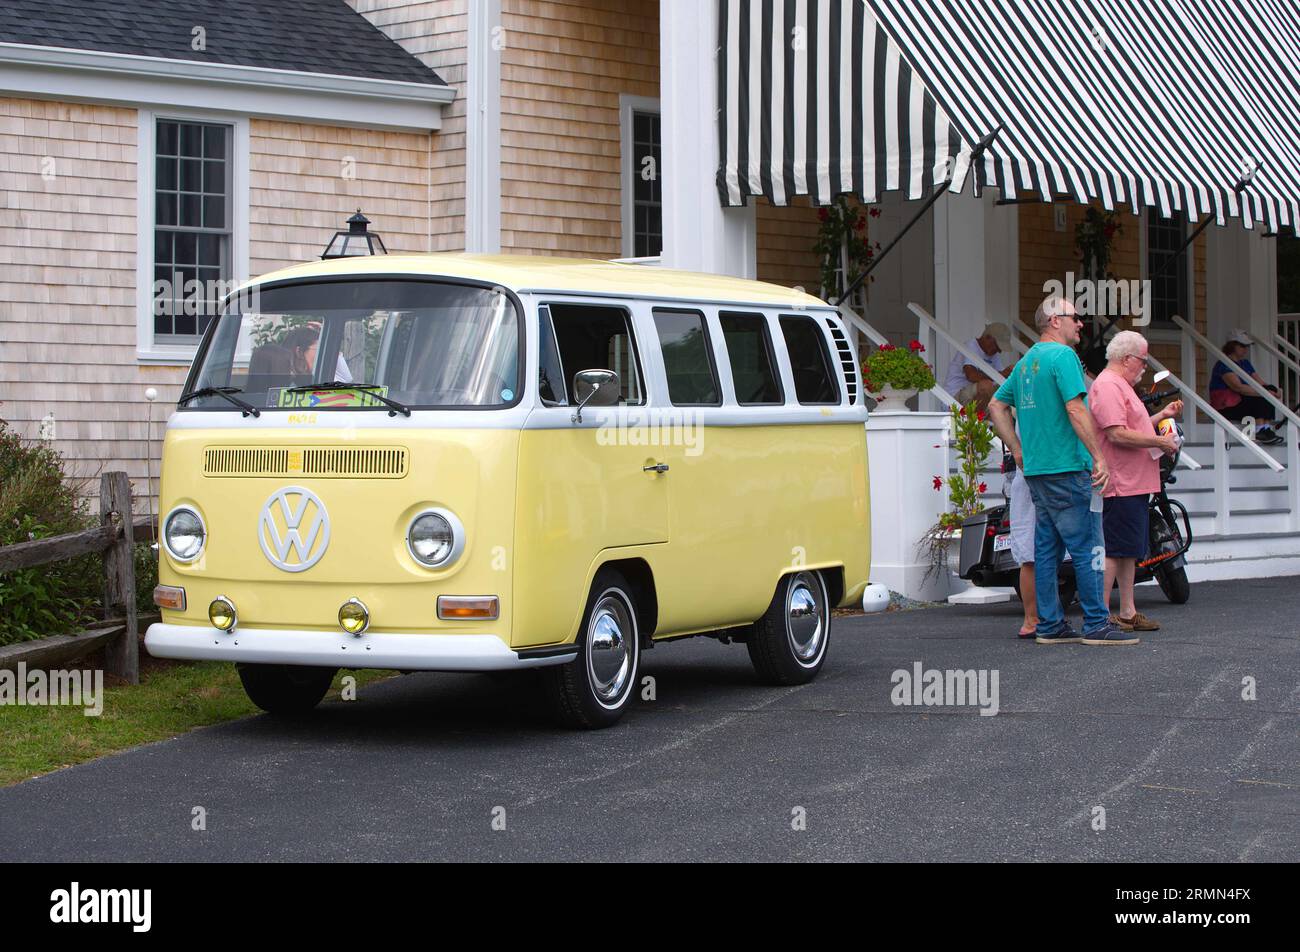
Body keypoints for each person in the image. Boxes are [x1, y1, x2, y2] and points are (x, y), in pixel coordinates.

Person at [988, 295, 1131, 646]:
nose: (1080, 323)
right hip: (1068, 466)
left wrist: (1019, 451)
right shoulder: (1064, 356)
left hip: (1037, 470)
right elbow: (1076, 409)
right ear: (1055, 320)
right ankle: (1097, 623)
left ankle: (1050, 624)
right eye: (1075, 318)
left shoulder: (1025, 363)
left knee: (1047, 549)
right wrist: (1098, 456)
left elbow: (995, 405)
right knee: (1087, 546)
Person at [1088, 331, 1182, 632]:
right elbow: (1115, 433)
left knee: (1129, 549)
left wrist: (1160, 417)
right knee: (1115, 549)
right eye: (1142, 360)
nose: (1145, 366)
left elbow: (1131, 426)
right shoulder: (1108, 385)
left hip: (1135, 481)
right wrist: (1159, 441)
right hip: (1120, 481)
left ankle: (1127, 611)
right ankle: (1101, 615)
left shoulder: (1121, 386)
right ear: (1126, 359)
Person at [1209, 330, 1283, 444]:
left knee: (1267, 391)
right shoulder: (1223, 364)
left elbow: (1260, 383)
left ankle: (1266, 429)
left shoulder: (1245, 363)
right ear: (1232, 345)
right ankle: (1259, 431)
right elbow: (1238, 387)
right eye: (1242, 346)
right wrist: (1264, 392)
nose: (1245, 349)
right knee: (1259, 396)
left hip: (1241, 402)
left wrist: (1274, 390)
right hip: (1227, 407)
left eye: (1247, 346)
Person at [944, 322, 1013, 412]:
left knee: (1005, 395)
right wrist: (1001, 374)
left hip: (973, 401)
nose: (999, 351)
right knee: (986, 386)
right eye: (997, 346)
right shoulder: (971, 346)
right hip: (954, 399)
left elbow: (1000, 380)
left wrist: (1011, 373)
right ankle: (974, 422)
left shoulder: (993, 353)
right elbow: (971, 375)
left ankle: (984, 421)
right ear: (987, 337)